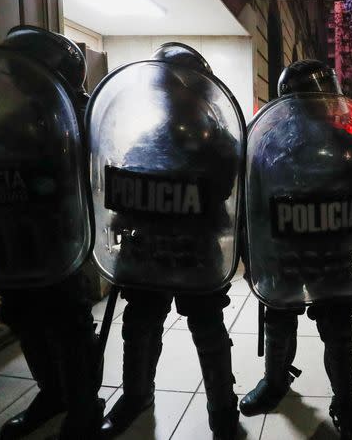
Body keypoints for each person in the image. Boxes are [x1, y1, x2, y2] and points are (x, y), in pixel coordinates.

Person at [90, 44, 243, 439]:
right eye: (166, 88)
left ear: (200, 93)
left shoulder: (220, 144)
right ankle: (136, 396)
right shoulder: (148, 138)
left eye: (178, 88)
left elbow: (219, 191)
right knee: (139, 326)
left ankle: (222, 408)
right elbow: (125, 195)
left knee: (208, 329)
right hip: (148, 251)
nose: (171, 96)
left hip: (196, 251)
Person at [0, 26, 103, 439]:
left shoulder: (82, 118)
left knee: (68, 324)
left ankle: (82, 406)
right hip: (9, 244)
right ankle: (53, 394)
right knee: (25, 319)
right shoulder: (8, 123)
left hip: (57, 243)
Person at [240, 59, 352, 439]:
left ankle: (344, 399)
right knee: (279, 321)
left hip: (331, 256)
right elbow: (252, 204)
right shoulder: (268, 145)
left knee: (337, 330)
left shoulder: (350, 146)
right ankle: (275, 381)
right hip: (285, 253)